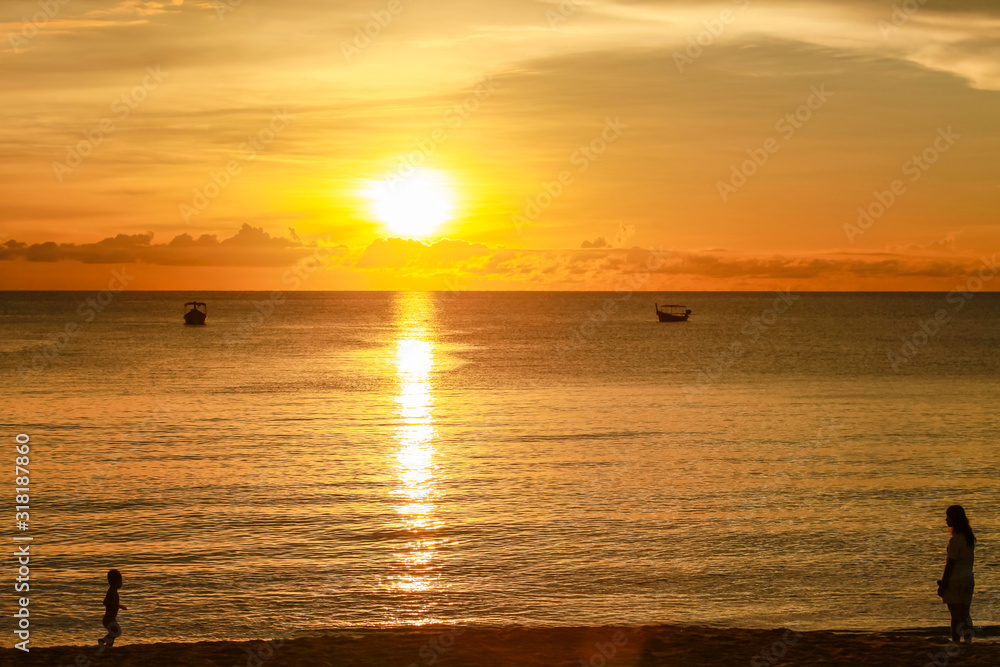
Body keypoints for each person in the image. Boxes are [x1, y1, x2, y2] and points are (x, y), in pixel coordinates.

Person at [938, 505, 976, 644]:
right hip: (968, 579)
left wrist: (943, 584)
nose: (946, 520)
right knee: (965, 614)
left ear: (954, 519)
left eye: (948, 517)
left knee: (955, 615)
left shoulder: (955, 540)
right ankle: (968, 641)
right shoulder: (969, 538)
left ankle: (955, 642)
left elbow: (950, 564)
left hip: (956, 580)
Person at [98, 569, 127, 648]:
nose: (121, 583)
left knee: (114, 632)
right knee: (116, 631)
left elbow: (113, 603)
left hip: (112, 618)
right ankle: (102, 641)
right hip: (108, 618)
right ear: (116, 582)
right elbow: (105, 602)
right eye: (120, 581)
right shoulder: (111, 591)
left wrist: (119, 606)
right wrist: (116, 605)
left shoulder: (113, 591)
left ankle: (109, 646)